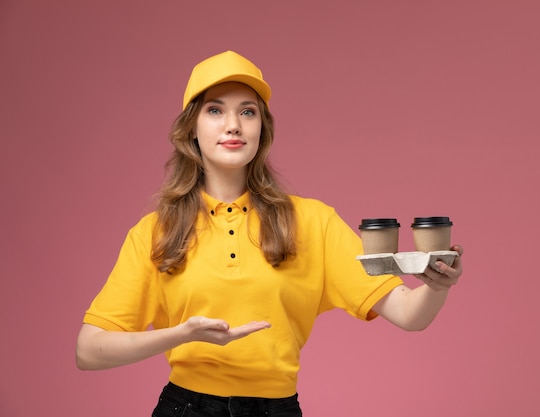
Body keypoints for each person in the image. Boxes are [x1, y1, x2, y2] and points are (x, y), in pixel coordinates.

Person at [75, 50, 464, 417]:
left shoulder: (313, 221)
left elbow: (409, 315)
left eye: (248, 112)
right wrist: (180, 335)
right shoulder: (155, 232)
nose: (233, 125)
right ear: (191, 128)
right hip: (186, 407)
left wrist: (438, 285)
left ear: (262, 128)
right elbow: (89, 350)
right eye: (215, 110)